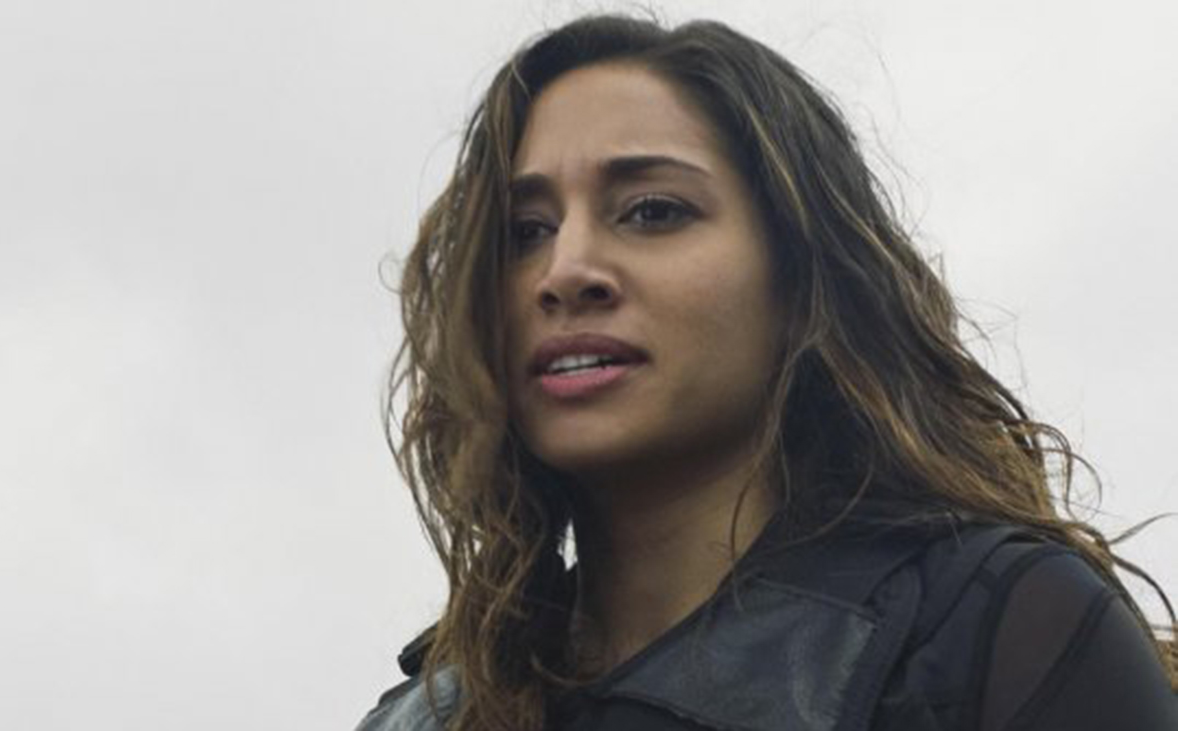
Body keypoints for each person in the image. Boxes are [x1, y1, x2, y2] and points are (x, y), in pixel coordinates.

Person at [357, 13, 1178, 731]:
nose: (565, 271)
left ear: (799, 277)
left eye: (652, 211)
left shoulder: (1001, 628)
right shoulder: (427, 714)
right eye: (524, 231)